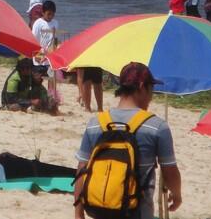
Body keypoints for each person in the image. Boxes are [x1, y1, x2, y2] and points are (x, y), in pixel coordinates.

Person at [74, 63, 181, 219]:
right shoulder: (158, 127)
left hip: (101, 211)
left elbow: (81, 170)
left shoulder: (95, 123)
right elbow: (169, 170)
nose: (151, 96)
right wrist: (177, 195)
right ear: (142, 87)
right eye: (152, 89)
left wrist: (78, 214)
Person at [32, 0, 59, 100]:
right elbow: (34, 41)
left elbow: (54, 40)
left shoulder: (55, 23)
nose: (50, 16)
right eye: (48, 14)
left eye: (52, 14)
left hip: (50, 58)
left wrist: (54, 52)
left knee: (52, 79)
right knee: (37, 81)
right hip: (39, 57)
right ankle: (36, 100)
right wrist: (39, 56)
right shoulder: (38, 24)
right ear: (43, 12)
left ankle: (50, 99)